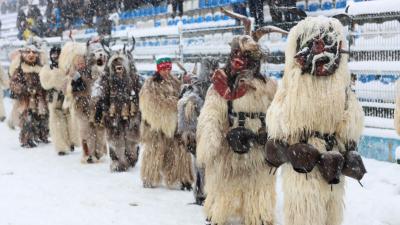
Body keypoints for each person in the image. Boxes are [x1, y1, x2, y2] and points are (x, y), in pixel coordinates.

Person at [266, 17, 366, 225]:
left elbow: (349, 122)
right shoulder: (293, 83)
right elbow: (277, 121)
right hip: (304, 160)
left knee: (329, 213)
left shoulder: (339, 85)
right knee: (305, 213)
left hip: (330, 159)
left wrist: (346, 145)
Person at [197, 35, 278, 225]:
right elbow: (211, 113)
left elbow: (277, 112)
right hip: (229, 148)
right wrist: (211, 137)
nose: (238, 59)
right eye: (235, 53)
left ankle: (258, 215)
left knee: (259, 187)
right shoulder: (221, 84)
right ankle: (219, 213)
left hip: (258, 147)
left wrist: (274, 134)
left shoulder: (268, 86)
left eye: (245, 55)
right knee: (224, 184)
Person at [139, 56, 194, 189]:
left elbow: (182, 96)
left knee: (177, 151)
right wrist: (172, 103)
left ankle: (178, 178)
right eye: (163, 69)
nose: (166, 71)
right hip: (156, 124)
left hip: (173, 123)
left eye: (168, 68)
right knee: (154, 151)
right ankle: (149, 177)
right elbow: (150, 102)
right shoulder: (150, 83)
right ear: (158, 69)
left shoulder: (175, 82)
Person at [39, 46, 80, 155]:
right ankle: (61, 147)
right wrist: (59, 77)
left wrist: (71, 78)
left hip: (68, 97)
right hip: (55, 99)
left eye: (58, 55)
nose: (55, 57)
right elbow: (45, 84)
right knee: (57, 124)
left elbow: (77, 79)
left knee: (71, 121)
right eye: (53, 55)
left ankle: (72, 142)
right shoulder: (47, 69)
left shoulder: (68, 67)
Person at [9, 40, 49, 147]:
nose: (31, 55)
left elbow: (45, 81)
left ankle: (42, 135)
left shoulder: (41, 68)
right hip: (26, 99)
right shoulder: (20, 70)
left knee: (42, 116)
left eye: (34, 52)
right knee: (28, 118)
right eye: (28, 52)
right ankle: (27, 138)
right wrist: (24, 89)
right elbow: (14, 83)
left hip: (39, 98)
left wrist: (44, 89)